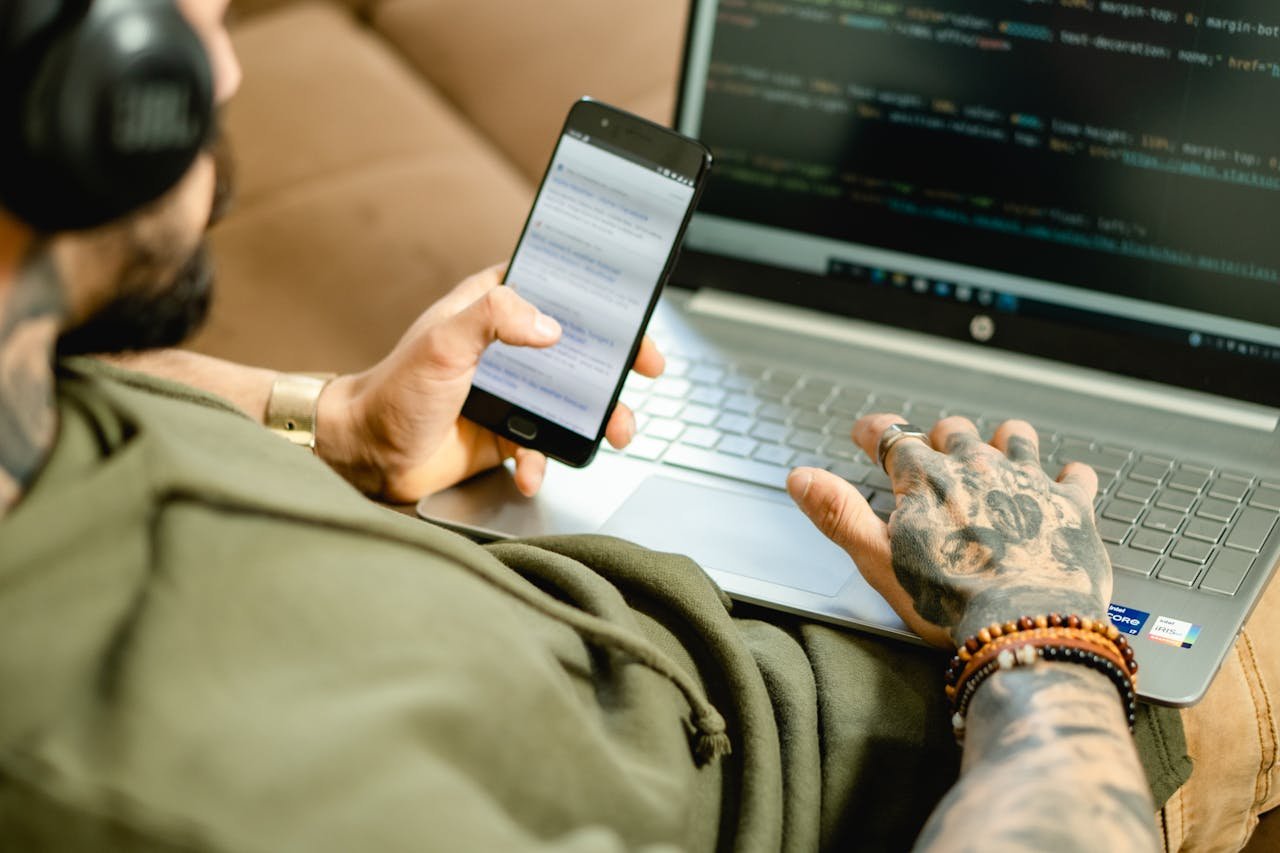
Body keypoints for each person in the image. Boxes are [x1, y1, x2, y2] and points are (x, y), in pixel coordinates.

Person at [0, 1, 1276, 849]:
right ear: (75, 110)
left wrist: (330, 420)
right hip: (971, 746)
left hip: (555, 580)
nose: (227, 69)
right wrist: (1041, 630)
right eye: (188, 30)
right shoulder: (161, 786)